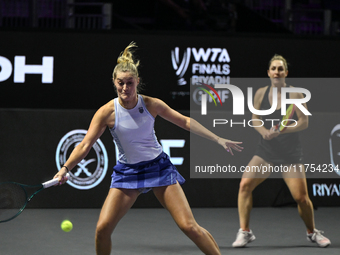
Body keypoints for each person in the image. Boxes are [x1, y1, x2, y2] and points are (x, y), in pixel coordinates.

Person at [54, 42, 243, 255]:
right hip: (127, 173)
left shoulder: (151, 104)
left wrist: (217, 139)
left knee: (189, 226)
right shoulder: (106, 112)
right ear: (114, 83)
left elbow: (185, 122)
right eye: (120, 83)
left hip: (158, 168)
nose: (125, 88)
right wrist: (66, 168)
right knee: (102, 229)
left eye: (130, 83)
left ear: (138, 82)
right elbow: (85, 144)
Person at [231, 54, 331, 248]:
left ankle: (312, 232)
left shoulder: (296, 94)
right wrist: (264, 132)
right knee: (244, 185)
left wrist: (284, 130)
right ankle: (245, 232)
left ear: (286, 72)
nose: (277, 72)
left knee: (301, 198)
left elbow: (304, 121)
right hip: (266, 151)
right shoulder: (261, 93)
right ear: (268, 72)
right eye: (274, 68)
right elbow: (255, 118)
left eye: (280, 69)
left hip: (290, 153)